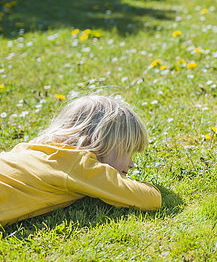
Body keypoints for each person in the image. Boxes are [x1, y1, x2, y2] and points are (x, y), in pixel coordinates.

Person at [0, 95, 162, 227]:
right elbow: (151, 199)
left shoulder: (33, 149)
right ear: (101, 141)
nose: (132, 164)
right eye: (127, 151)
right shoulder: (79, 165)